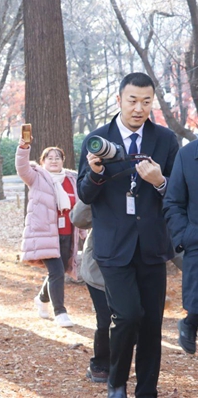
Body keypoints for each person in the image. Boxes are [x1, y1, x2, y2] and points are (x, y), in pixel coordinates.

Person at [77, 72, 178, 398]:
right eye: (132, 100)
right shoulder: (97, 138)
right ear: (119, 99)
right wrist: (95, 174)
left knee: (151, 324)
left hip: (152, 246)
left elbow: (178, 195)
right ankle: (116, 382)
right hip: (113, 247)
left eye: (146, 102)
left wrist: (160, 181)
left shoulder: (165, 140)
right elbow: (84, 194)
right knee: (127, 316)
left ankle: (147, 390)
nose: (139, 108)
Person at [16, 141, 82, 327]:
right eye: (49, 158)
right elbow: (21, 167)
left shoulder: (72, 179)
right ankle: (60, 312)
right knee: (56, 271)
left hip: (67, 233)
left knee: (58, 272)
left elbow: (79, 204)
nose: (54, 161)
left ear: (63, 161)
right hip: (45, 235)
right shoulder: (36, 177)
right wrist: (23, 148)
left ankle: (42, 298)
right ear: (42, 161)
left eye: (57, 158)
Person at [163, 137, 198, 355]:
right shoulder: (187, 154)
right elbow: (173, 201)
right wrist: (186, 236)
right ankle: (191, 322)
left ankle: (190, 322)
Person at [70, 200, 111, 383]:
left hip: (136, 264)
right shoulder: (101, 184)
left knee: (132, 319)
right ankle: (101, 364)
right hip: (99, 267)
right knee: (106, 319)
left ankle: (121, 362)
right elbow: (78, 218)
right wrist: (94, 186)